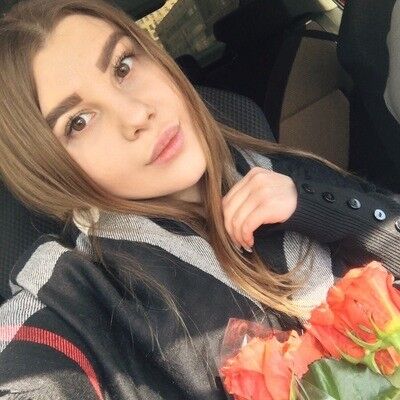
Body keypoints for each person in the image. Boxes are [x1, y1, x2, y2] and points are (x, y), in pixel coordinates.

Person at [0, 0, 399, 399]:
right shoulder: (83, 295)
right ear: (49, 168)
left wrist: (315, 208)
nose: (136, 114)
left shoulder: (281, 168)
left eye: (123, 66)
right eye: (79, 122)